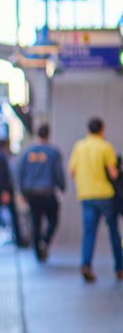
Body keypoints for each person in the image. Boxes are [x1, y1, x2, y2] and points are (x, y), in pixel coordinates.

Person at [67, 117, 122, 282]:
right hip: (106, 196)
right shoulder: (106, 147)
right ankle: (120, 268)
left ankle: (86, 265)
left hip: (86, 196)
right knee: (113, 232)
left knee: (89, 232)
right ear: (102, 130)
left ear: (87, 130)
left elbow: (71, 172)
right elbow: (113, 173)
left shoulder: (79, 146)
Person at [18, 124, 65, 262]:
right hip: (47, 192)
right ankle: (45, 242)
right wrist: (61, 188)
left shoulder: (28, 152)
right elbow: (58, 173)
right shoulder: (53, 152)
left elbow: (20, 172)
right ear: (48, 135)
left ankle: (37, 251)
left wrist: (22, 191)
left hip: (31, 193)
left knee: (35, 221)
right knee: (53, 219)